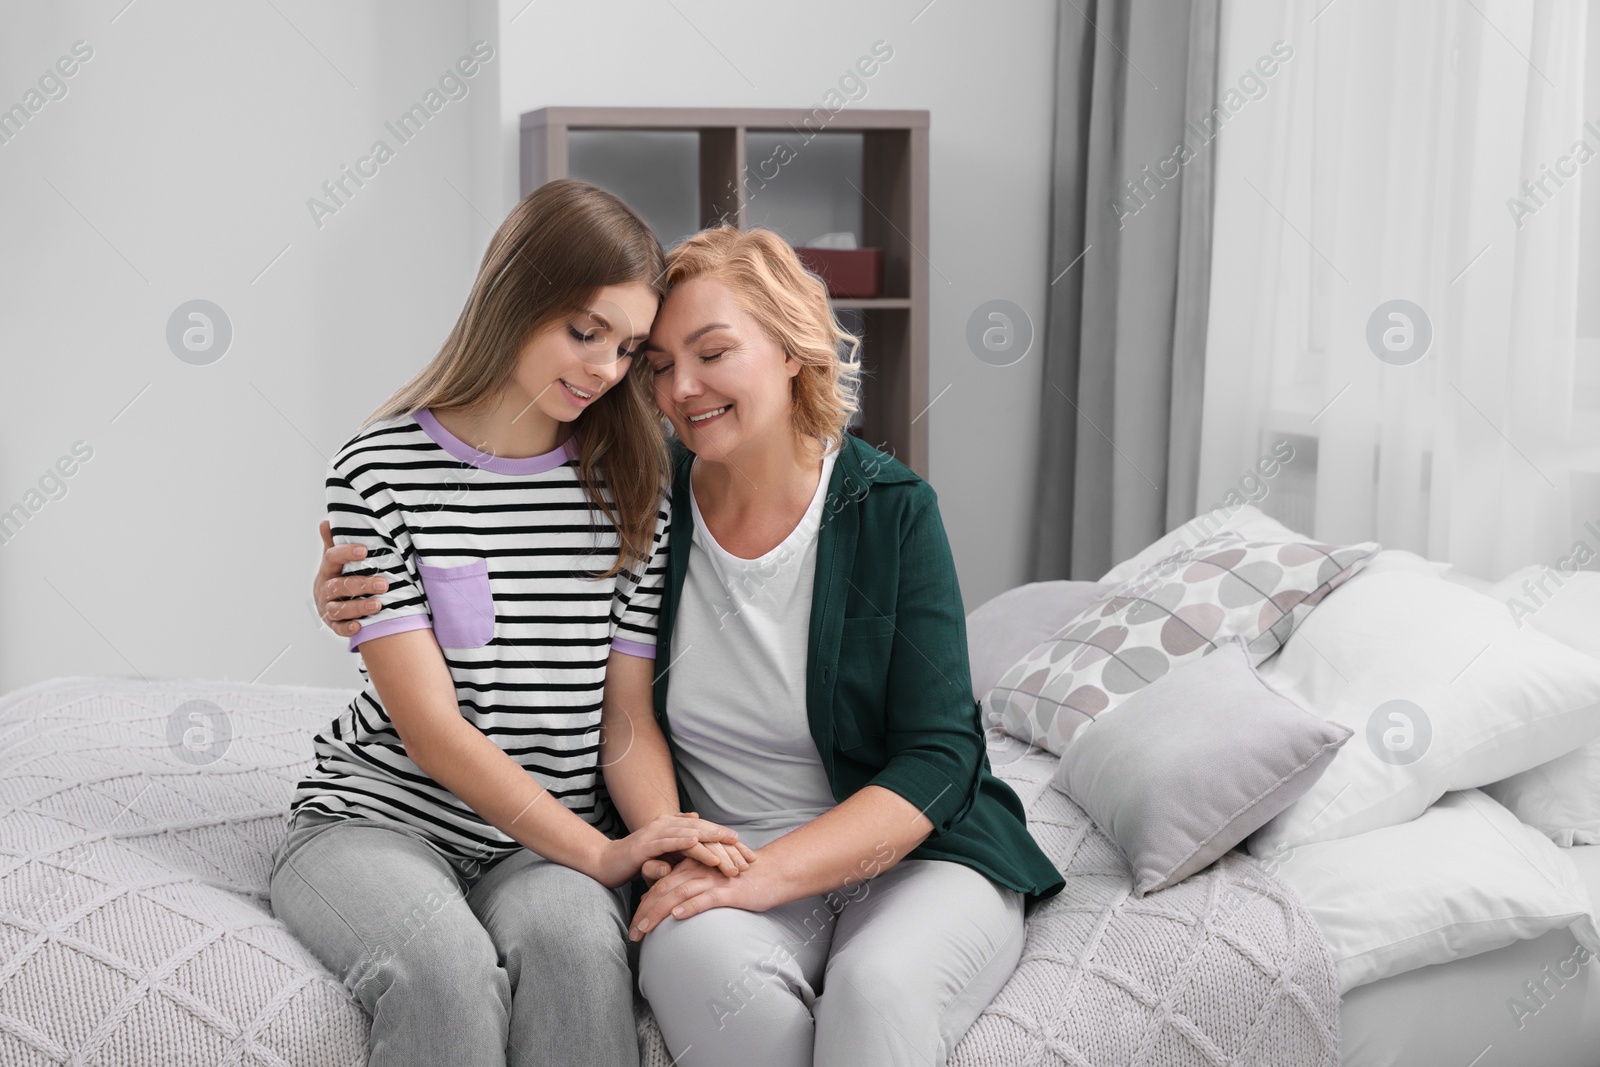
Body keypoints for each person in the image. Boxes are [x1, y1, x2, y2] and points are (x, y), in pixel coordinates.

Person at [314, 224, 1065, 1067]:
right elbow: (569, 645)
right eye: (660, 363)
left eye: (711, 353)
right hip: (717, 851)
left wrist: (763, 872)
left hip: (908, 856)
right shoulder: (643, 493)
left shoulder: (890, 509)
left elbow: (940, 756)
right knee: (711, 985)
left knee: (874, 991)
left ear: (790, 347)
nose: (682, 387)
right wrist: (357, 593)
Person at [277, 179, 754, 1067]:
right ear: (515, 297)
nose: (605, 369)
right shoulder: (379, 469)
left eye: (627, 348)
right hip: (380, 820)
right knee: (444, 973)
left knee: (580, 956)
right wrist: (600, 854)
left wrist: (659, 844)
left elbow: (625, 719)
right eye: (584, 332)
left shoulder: (629, 486)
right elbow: (431, 732)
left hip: (545, 844)